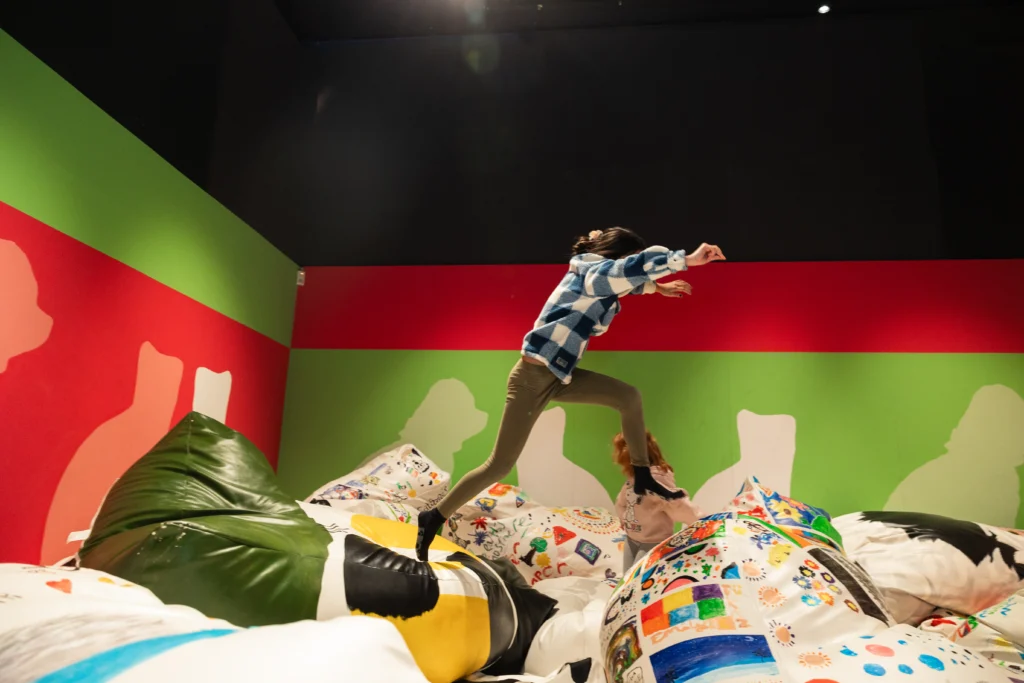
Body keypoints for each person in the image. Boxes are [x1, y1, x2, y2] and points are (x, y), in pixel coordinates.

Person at [415, 228, 725, 560]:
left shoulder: (599, 279)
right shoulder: (591, 273)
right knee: (499, 465)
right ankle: (433, 517)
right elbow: (626, 272)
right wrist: (686, 260)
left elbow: (629, 280)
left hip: (560, 375)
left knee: (628, 397)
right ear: (618, 256)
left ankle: (644, 475)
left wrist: (658, 288)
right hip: (532, 378)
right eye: (628, 258)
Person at [613, 431, 702, 572]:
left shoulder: (657, 477)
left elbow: (675, 504)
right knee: (626, 581)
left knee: (637, 580)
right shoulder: (633, 479)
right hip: (632, 538)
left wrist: (698, 520)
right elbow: (621, 502)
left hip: (653, 541)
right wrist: (624, 520)